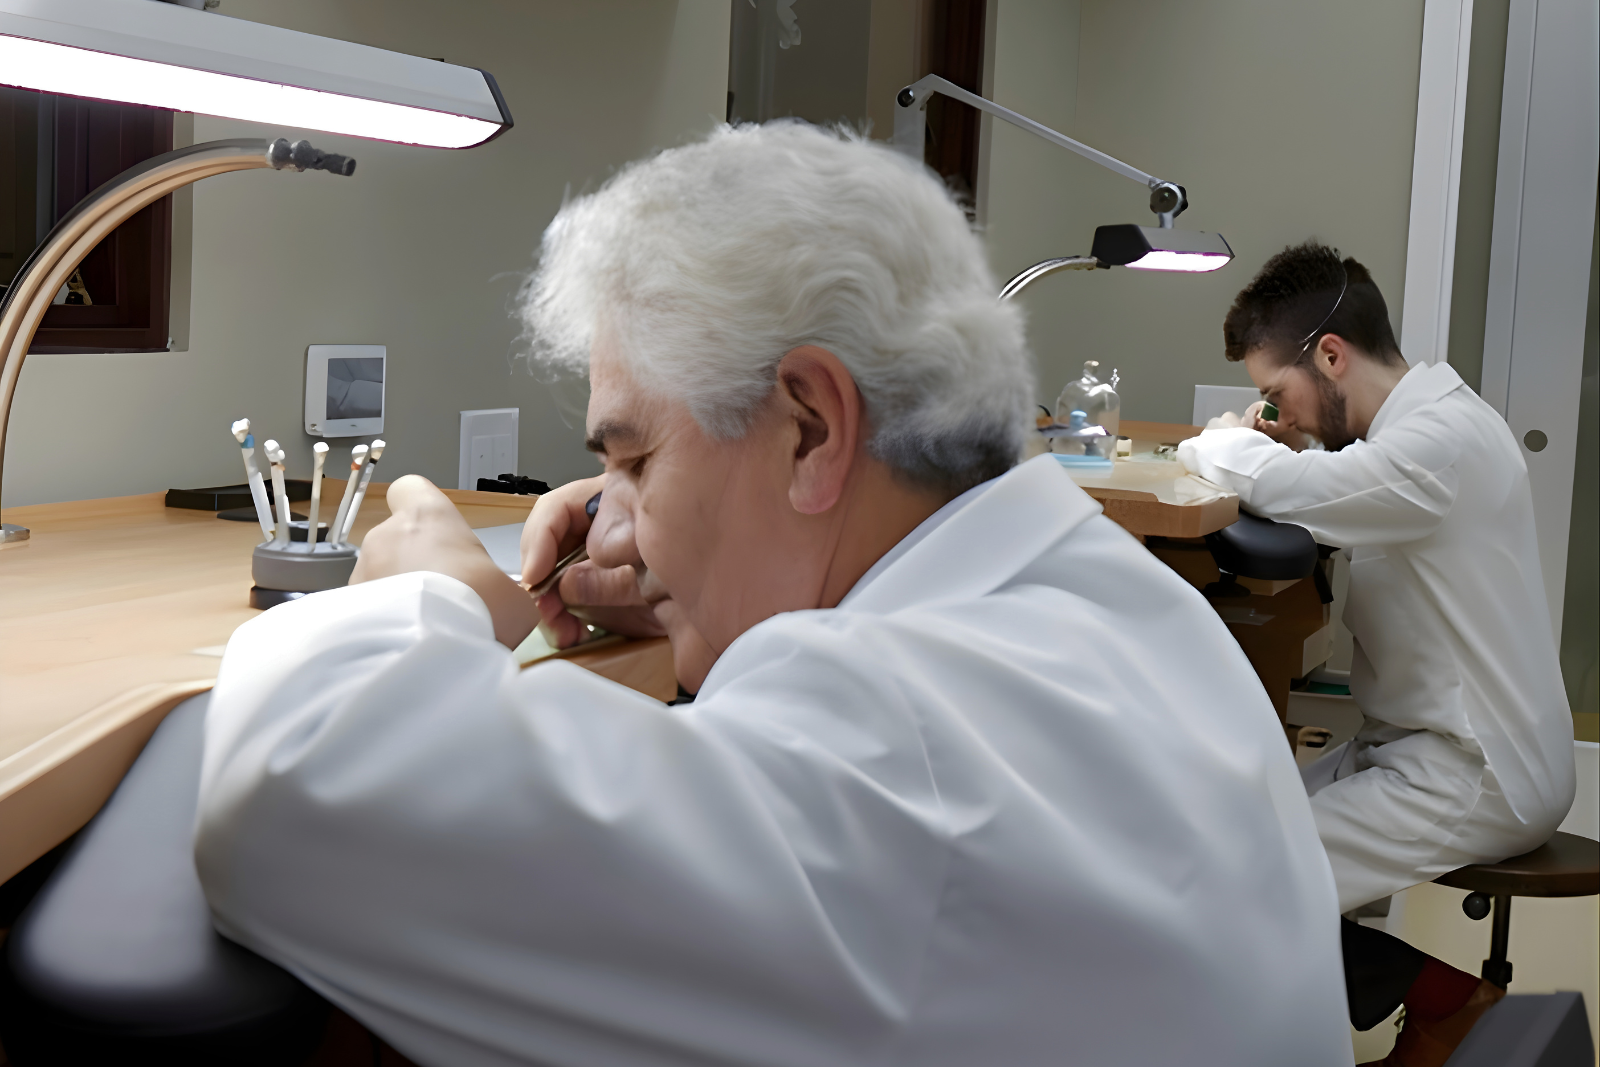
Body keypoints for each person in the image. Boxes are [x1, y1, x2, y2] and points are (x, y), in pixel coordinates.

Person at [194, 125, 1351, 1066]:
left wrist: (425, 589)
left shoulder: (890, 752)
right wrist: (694, 548)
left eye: (637, 457)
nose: (619, 511)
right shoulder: (1125, 611)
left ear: (809, 427)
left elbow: (291, 789)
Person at [1179, 242, 1577, 1066]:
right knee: (1221, 841)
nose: (1276, 414)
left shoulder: (1441, 443)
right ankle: (1399, 1010)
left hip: (1477, 770)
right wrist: (1278, 447)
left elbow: (1293, 490)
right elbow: (1329, 485)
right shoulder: (1413, 438)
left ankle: (1451, 1003)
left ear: (1330, 356)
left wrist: (1220, 440)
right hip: (1417, 747)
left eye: (1274, 393)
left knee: (1231, 883)